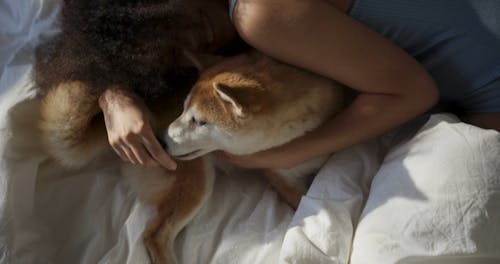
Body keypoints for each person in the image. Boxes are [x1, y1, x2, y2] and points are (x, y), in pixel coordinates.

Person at [98, 0, 500, 170]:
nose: (192, 46)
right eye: (172, 55)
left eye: (171, 28)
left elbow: (415, 93)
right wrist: (112, 93)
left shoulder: (259, 12)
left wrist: (271, 157)